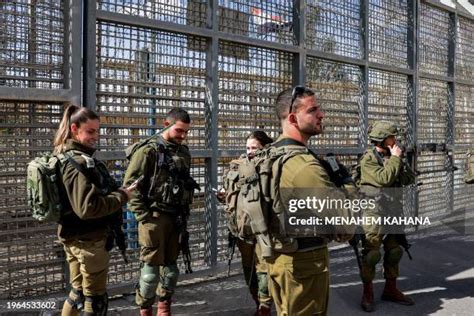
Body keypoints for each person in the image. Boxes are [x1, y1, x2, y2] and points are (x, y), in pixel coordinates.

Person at [266, 87, 355, 315]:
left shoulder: (270, 153)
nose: (321, 115)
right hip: (304, 263)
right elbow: (346, 222)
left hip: (278, 258)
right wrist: (345, 182)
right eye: (313, 110)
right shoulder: (304, 165)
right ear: (294, 118)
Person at [54, 105, 136, 316]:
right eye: (90, 131)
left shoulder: (65, 155)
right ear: (74, 128)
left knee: (77, 292)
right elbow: (88, 208)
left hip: (75, 238)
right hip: (89, 242)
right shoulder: (78, 163)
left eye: (97, 131)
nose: (95, 136)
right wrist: (123, 196)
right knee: (95, 299)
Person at [123, 108, 197, 316]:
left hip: (176, 217)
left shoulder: (182, 151)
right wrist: (143, 217)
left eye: (186, 132)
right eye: (179, 131)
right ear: (166, 125)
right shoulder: (148, 150)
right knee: (149, 273)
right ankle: (145, 308)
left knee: (171, 270)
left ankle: (164, 306)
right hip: (153, 217)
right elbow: (131, 186)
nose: (182, 136)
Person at [358, 120, 416, 312]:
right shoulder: (368, 159)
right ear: (382, 140)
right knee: (371, 254)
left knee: (394, 251)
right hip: (374, 211)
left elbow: (409, 178)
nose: (395, 140)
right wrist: (396, 159)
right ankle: (368, 293)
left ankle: (391, 289)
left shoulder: (393, 156)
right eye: (392, 137)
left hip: (393, 210)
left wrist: (400, 160)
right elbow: (384, 179)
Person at [220, 131, 274, 316]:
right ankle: (258, 304)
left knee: (263, 272)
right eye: (248, 147)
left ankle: (264, 308)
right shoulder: (237, 165)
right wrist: (224, 196)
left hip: (263, 231)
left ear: (265, 147)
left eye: (255, 148)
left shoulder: (270, 166)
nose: (250, 151)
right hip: (242, 230)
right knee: (248, 271)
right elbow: (232, 195)